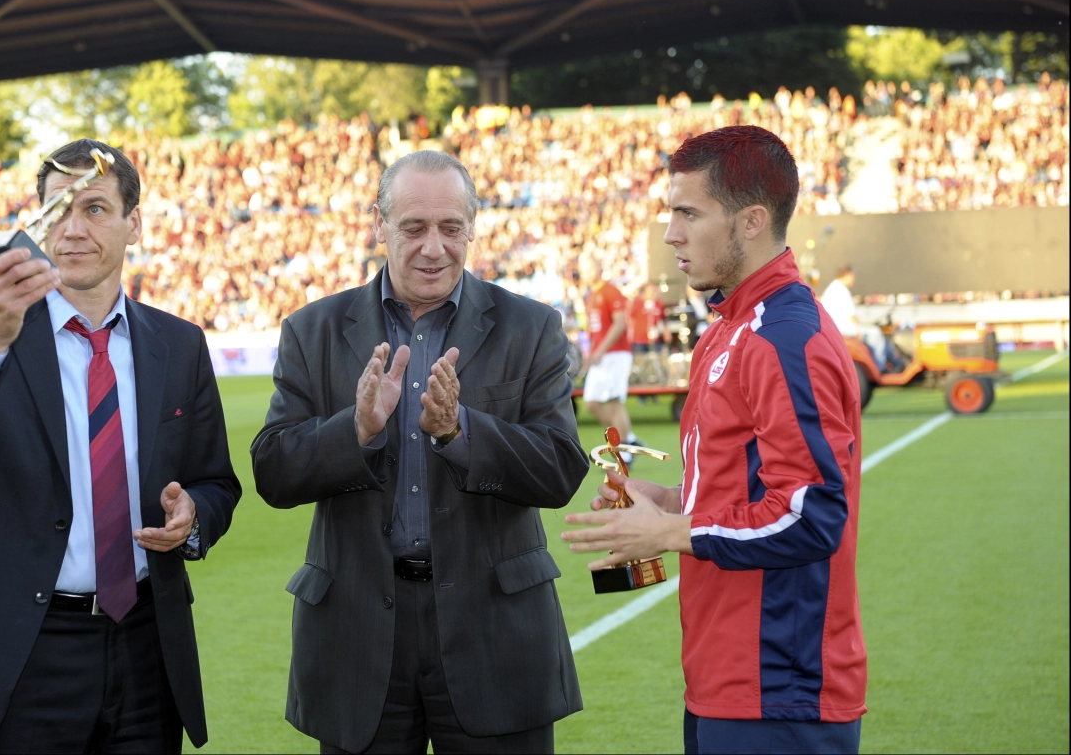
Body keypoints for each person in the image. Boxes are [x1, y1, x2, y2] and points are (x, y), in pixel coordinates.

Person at [0, 139, 242, 753]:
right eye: (59, 210)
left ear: (135, 223)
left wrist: (192, 521)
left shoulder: (180, 345)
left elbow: (216, 482)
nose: (75, 230)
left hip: (146, 648)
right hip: (20, 649)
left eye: (97, 209)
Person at [251, 149, 589, 754]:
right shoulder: (313, 329)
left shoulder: (531, 326)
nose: (434, 247)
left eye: (451, 228)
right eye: (413, 228)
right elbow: (273, 471)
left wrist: (460, 432)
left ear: (472, 229)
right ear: (379, 226)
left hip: (496, 632)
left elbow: (561, 467)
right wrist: (353, 432)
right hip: (356, 635)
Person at [563, 126, 867, 755]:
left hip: (779, 688)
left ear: (751, 220)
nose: (670, 231)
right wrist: (668, 502)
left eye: (688, 213)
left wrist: (669, 534)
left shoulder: (785, 337)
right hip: (721, 677)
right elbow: (743, 489)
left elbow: (812, 517)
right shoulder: (726, 330)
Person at [581, 257, 643, 461]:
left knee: (615, 400)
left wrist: (600, 350)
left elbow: (620, 323)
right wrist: (591, 352)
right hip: (601, 355)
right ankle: (629, 438)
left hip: (616, 353)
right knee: (591, 403)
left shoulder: (610, 290)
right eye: (584, 268)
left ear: (599, 267)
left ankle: (624, 452)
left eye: (590, 266)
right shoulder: (591, 295)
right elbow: (594, 330)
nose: (587, 271)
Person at [819, 265, 894, 371]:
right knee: (875, 332)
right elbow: (851, 316)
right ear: (847, 274)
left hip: (835, 328)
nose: (854, 278)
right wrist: (861, 326)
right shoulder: (841, 290)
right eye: (853, 275)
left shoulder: (832, 288)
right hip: (844, 328)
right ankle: (880, 367)